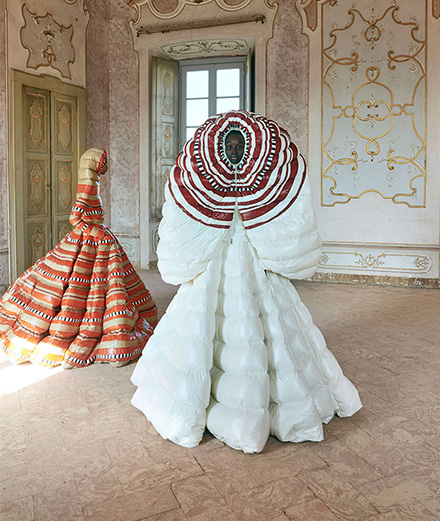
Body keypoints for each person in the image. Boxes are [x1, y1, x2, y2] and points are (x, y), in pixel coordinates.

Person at [131, 110, 361, 453]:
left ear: (249, 149)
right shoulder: (206, 187)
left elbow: (277, 216)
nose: (236, 151)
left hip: (254, 261)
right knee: (202, 330)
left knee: (270, 330)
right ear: (221, 150)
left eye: (240, 146)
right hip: (215, 262)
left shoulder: (262, 186)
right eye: (231, 147)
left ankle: (262, 412)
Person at [0, 148, 157, 368]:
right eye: (103, 162)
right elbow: (75, 217)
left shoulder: (92, 181)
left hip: (97, 239)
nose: (106, 166)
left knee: (105, 283)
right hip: (92, 238)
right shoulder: (89, 184)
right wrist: (96, 233)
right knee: (81, 286)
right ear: (95, 164)